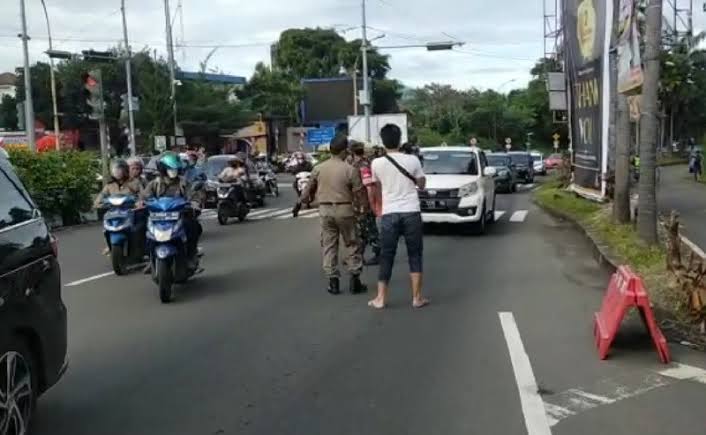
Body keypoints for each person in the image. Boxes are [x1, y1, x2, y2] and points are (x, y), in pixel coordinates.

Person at [297, 134, 369, 295]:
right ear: (344, 151)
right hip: (345, 210)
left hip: (325, 211)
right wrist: (364, 209)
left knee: (329, 245)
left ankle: (333, 282)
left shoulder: (318, 168)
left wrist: (304, 202)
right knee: (352, 243)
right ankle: (354, 279)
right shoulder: (350, 170)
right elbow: (360, 193)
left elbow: (305, 193)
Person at [368, 124, 429, 310]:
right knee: (415, 254)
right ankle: (417, 298)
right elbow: (422, 185)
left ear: (382, 140)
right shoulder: (413, 160)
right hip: (411, 211)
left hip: (390, 212)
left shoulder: (376, 163)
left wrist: (380, 206)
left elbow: (377, 187)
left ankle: (380, 298)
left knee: (387, 255)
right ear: (400, 139)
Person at [141, 153, 203, 270]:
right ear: (163, 169)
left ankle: (190, 256)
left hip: (179, 216)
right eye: (170, 169)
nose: (173, 171)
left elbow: (193, 196)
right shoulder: (155, 183)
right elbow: (145, 196)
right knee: (144, 229)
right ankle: (150, 258)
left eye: (175, 169)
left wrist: (195, 204)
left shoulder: (184, 183)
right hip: (158, 216)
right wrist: (141, 202)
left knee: (193, 227)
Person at [348, 141, 381, 265]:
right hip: (357, 203)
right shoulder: (356, 163)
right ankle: (357, 256)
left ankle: (378, 253)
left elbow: (369, 186)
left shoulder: (363, 165)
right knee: (361, 230)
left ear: (351, 152)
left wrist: (370, 205)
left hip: (364, 203)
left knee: (369, 230)